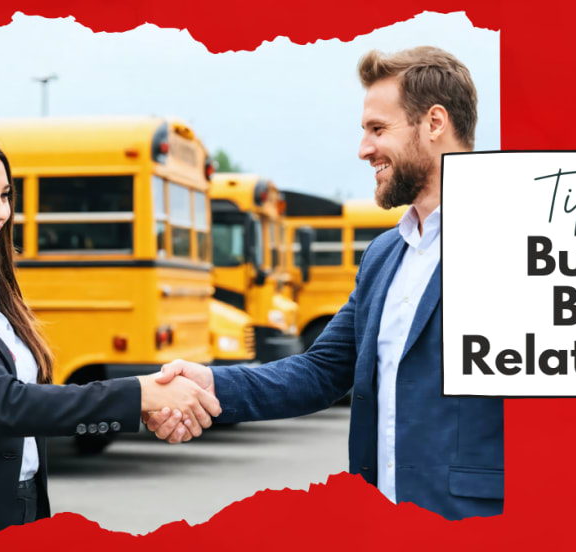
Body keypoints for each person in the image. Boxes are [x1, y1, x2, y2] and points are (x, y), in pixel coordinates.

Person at [147, 46, 504, 520]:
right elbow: (320, 372)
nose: (364, 149)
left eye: (378, 129)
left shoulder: (517, 241)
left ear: (435, 122)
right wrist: (208, 381)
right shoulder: (383, 257)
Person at [0, 131, 221, 534]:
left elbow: (37, 403)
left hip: (22, 508)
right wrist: (140, 392)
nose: (1, 212)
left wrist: (140, 407)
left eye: (5, 195)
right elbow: (5, 404)